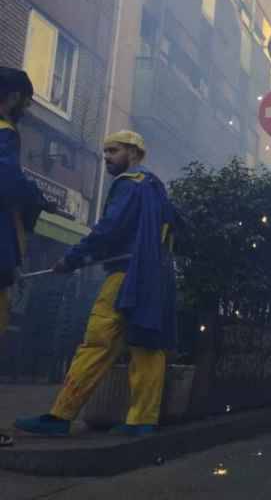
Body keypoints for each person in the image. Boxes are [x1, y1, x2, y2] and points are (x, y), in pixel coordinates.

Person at [16, 131, 178, 437]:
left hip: (126, 275)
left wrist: (72, 259)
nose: (106, 157)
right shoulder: (156, 188)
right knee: (147, 345)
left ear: (133, 153)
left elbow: (108, 229)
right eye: (104, 152)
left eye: (113, 151)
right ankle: (142, 421)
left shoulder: (129, 186)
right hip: (154, 278)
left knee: (97, 341)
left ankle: (60, 416)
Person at [0, 68, 50, 447]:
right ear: (14, 95)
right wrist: (35, 196)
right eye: (27, 99)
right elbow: (7, 181)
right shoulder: (5, 132)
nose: (28, 107)